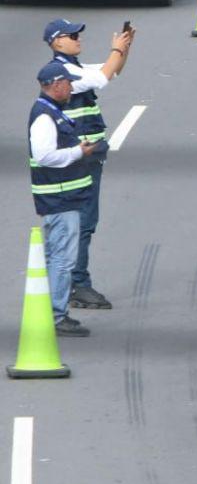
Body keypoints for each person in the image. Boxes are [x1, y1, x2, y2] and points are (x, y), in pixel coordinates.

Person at [44, 18, 134, 311]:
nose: (78, 38)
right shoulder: (64, 72)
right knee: (82, 221)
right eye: (72, 35)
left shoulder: (75, 68)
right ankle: (77, 284)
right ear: (57, 42)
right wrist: (115, 50)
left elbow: (112, 71)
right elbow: (103, 77)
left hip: (88, 158)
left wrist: (124, 48)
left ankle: (73, 281)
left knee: (84, 221)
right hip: (79, 160)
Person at [28, 61, 105, 337]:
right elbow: (44, 155)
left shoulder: (52, 112)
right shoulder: (44, 117)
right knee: (62, 259)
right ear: (57, 85)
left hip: (63, 198)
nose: (72, 87)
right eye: (68, 83)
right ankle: (58, 317)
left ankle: (52, 311)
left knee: (56, 257)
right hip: (60, 199)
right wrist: (77, 153)